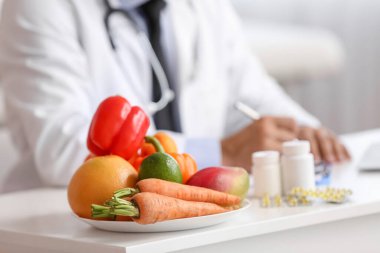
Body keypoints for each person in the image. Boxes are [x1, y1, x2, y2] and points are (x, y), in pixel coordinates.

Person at [0, 0, 349, 192]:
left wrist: (305, 133)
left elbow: (251, 91)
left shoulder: (201, 7)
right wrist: (222, 152)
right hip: (69, 224)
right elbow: (62, 150)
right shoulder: (38, 6)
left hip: (191, 220)